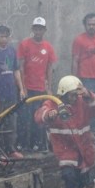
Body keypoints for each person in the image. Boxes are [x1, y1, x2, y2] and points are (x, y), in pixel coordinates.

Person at [34, 75, 95, 188]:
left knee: (85, 185)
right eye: (72, 95)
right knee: (70, 180)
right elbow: (39, 116)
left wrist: (89, 95)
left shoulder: (82, 102)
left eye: (76, 94)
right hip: (66, 153)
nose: (75, 98)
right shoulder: (53, 104)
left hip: (85, 152)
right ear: (63, 93)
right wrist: (48, 115)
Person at [17, 16, 57, 152]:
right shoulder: (25, 44)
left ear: (44, 30)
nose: (38, 31)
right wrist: (22, 88)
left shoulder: (48, 47)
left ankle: (37, 143)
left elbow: (49, 68)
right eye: (36, 28)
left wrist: (49, 88)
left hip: (41, 89)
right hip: (27, 88)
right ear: (33, 29)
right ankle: (22, 144)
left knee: (38, 117)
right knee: (24, 117)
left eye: (41, 29)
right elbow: (21, 67)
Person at [0, 25, 25, 159]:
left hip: (11, 94)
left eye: (6, 36)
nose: (4, 39)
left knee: (12, 123)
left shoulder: (12, 51)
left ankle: (11, 149)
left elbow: (16, 71)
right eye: (1, 36)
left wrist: (21, 89)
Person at [72, 13, 95, 98]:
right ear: (85, 25)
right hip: (85, 80)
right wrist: (74, 81)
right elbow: (75, 61)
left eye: (93, 24)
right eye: (89, 24)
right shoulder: (79, 40)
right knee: (87, 106)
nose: (91, 27)